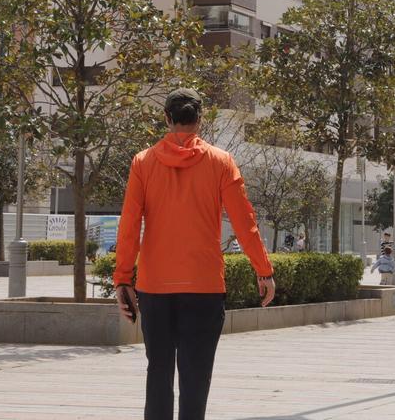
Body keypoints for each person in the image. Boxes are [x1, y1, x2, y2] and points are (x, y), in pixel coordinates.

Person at [114, 87, 275, 420]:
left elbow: (129, 226)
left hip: (155, 288)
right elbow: (245, 223)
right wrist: (263, 270)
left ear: (167, 119)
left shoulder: (142, 163)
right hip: (203, 287)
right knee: (196, 379)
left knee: (158, 373)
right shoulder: (220, 162)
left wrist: (122, 280)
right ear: (200, 119)